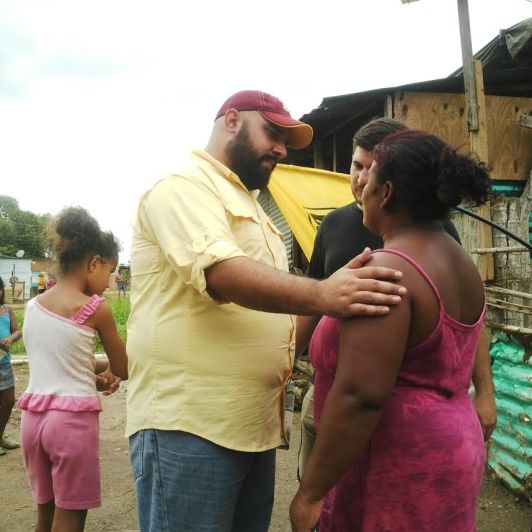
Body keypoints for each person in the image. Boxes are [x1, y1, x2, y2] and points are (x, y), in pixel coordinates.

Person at [126, 90, 408, 532]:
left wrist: (331, 312)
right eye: (272, 133)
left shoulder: (250, 206)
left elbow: (272, 317)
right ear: (232, 120)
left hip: (250, 427)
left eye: (285, 141)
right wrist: (325, 294)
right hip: (191, 426)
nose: (280, 149)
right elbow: (222, 273)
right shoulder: (183, 187)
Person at [290, 130, 491, 531]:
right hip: (452, 447)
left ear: (387, 193)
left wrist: (311, 492)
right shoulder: (458, 260)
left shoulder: (389, 270)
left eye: (369, 179)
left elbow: (361, 394)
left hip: (396, 460)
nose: (359, 187)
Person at [17, 207, 128, 532]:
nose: (109, 282)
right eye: (110, 271)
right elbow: (123, 367)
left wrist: (92, 374)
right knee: (69, 521)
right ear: (94, 262)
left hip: (33, 420)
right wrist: (112, 371)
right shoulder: (95, 308)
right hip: (71, 426)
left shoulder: (32, 307)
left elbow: (58, 360)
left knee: (45, 519)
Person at [0, 276, 22, 455]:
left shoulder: (8, 310)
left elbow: (17, 331)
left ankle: (0, 438)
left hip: (4, 362)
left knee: (8, 402)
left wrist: (10, 338)